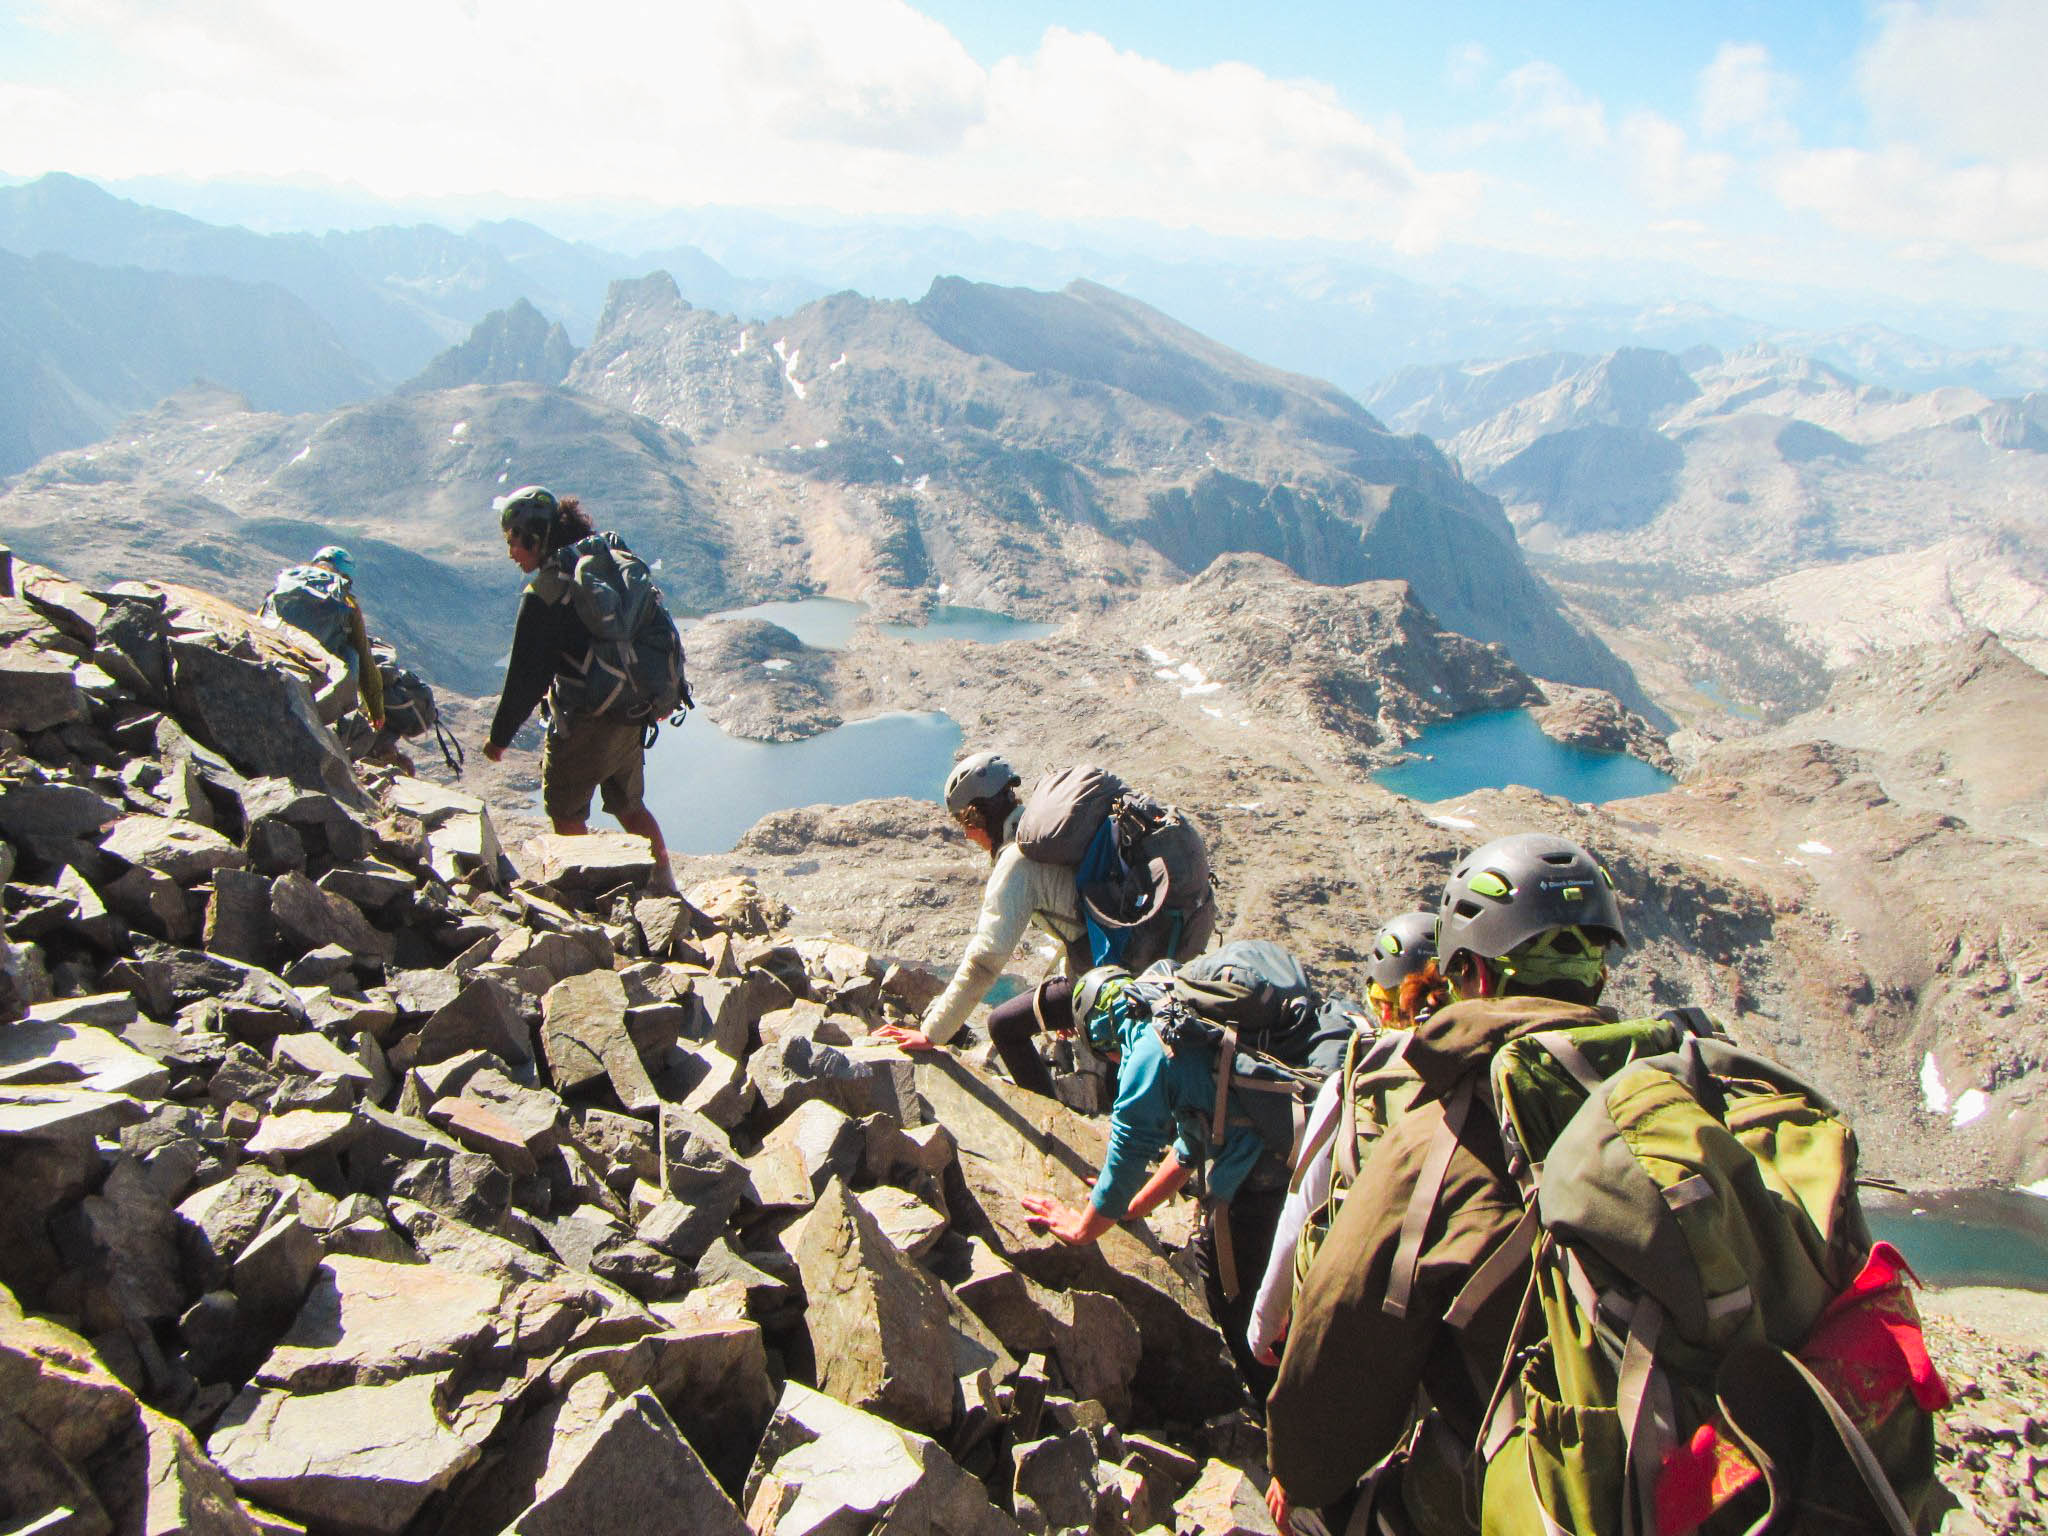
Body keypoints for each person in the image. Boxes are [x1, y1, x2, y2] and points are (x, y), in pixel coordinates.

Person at [1263, 834, 1627, 1536]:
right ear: (1597, 978)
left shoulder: (1443, 1135)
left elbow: (1340, 1326)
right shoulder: (1679, 1088)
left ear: (1474, 977)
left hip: (1547, 1486)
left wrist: (1299, 1475)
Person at [1019, 962, 1301, 1401]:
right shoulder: (1178, 1020)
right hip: (1299, 1149)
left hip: (1260, 1180)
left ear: (1100, 1034)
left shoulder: (1146, 1055)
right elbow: (1192, 1144)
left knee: (1228, 1290)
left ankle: (1278, 1413)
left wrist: (1082, 1228)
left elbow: (1126, 1155)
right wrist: (1132, 1207)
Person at [873, 753, 1213, 1082]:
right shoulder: (1050, 832)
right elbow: (1078, 915)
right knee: (1112, 1057)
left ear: (976, 816)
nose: (965, 834)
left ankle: (1050, 1129)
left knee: (1003, 1026)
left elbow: (985, 962)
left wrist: (932, 1034)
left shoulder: (1018, 862)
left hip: (1119, 979)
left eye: (964, 823)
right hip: (1146, 960)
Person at [1245, 909, 1447, 1371]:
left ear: (1381, 1003)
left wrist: (1263, 1324)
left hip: (1364, 1312)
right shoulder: (1495, 1071)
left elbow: (1301, 1210)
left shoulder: (1357, 1082)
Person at [481, 485, 675, 891]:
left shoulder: (545, 595)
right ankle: (664, 885)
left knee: (566, 810)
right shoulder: (600, 565)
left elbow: (525, 677)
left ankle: (591, 896)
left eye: (513, 541)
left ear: (535, 536)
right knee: (630, 805)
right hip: (631, 709)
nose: (511, 552)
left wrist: (499, 739)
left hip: (586, 718)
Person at [259, 544, 385, 744]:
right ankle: (334, 716)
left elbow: (261, 616)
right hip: (315, 664)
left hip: (273, 648)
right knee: (352, 653)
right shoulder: (345, 601)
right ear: (347, 576)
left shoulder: (287, 581)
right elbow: (366, 662)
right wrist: (377, 712)